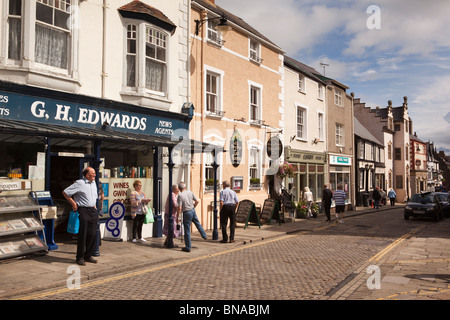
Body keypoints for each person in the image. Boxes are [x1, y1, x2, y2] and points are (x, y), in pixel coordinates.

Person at [62, 167, 99, 266]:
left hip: (92, 210)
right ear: (87, 175)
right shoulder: (80, 183)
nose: (95, 174)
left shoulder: (93, 183)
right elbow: (65, 192)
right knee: (83, 234)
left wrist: (94, 206)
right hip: (83, 210)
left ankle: (88, 255)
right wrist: (73, 204)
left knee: (92, 234)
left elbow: (94, 196)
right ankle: (80, 257)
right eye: (93, 173)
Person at [177, 182, 207, 252]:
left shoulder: (180, 195)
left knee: (187, 230)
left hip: (186, 212)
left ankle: (188, 247)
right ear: (185, 187)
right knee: (197, 223)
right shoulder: (190, 192)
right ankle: (204, 235)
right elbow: (197, 201)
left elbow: (179, 208)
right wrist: (193, 207)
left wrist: (177, 217)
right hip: (192, 210)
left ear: (179, 188)